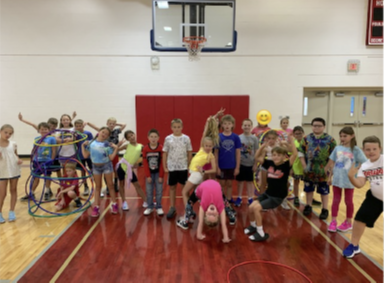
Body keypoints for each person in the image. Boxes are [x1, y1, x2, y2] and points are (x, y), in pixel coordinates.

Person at [244, 136, 297, 241]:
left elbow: (295, 154)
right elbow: (256, 157)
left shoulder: (286, 165)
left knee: (256, 208)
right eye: (274, 155)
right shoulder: (269, 163)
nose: (276, 157)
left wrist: (292, 142)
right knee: (251, 207)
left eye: (278, 155)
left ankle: (261, 233)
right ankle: (253, 226)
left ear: (283, 157)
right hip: (268, 193)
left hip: (277, 197)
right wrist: (263, 146)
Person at [342, 136, 383, 258]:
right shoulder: (364, 166)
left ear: (380, 149)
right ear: (363, 150)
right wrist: (351, 177)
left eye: (374, 149)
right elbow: (360, 184)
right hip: (376, 198)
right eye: (368, 149)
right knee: (360, 218)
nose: (371, 152)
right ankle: (354, 245)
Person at [326, 127, 367, 232]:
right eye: (341, 136)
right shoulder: (337, 148)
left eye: (345, 136)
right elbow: (332, 163)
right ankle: (333, 221)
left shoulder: (356, 150)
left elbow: (365, 163)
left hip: (349, 180)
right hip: (337, 179)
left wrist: (358, 173)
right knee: (335, 200)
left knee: (348, 201)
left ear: (352, 136)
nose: (342, 138)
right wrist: (329, 176)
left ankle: (348, 222)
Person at [299, 117, 336, 219]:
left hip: (323, 170)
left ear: (323, 127)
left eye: (319, 126)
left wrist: (328, 167)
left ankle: (324, 209)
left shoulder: (330, 140)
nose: (317, 127)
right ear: (312, 127)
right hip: (309, 169)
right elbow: (300, 152)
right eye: (315, 125)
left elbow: (334, 155)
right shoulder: (306, 139)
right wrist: (304, 165)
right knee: (308, 189)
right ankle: (308, 206)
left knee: (324, 190)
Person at [81, 127, 122, 217]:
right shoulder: (91, 143)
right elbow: (85, 155)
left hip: (107, 166)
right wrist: (82, 146)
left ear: (108, 136)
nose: (104, 134)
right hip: (95, 167)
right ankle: (96, 207)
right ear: (99, 132)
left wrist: (116, 148)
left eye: (106, 134)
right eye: (103, 132)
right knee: (98, 187)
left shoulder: (108, 144)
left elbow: (111, 158)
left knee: (110, 185)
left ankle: (114, 204)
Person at [163, 118, 193, 219]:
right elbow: (165, 153)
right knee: (172, 187)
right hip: (172, 167)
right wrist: (165, 166)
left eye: (178, 127)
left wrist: (189, 165)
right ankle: (172, 207)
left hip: (183, 167)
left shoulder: (186, 138)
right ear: (171, 128)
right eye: (174, 127)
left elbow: (189, 152)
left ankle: (188, 207)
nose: (176, 129)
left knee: (185, 188)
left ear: (182, 127)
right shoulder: (168, 138)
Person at [86, 117, 126, 193]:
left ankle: (115, 184)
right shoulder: (104, 131)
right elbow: (95, 127)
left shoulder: (116, 131)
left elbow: (124, 124)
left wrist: (116, 124)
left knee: (115, 169)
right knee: (106, 169)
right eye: (110, 123)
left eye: (113, 124)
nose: (111, 125)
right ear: (107, 124)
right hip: (104, 153)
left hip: (114, 151)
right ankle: (108, 186)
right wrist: (88, 123)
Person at [20, 122, 57, 202]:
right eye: (42, 129)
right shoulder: (36, 139)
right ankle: (31, 193)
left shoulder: (52, 138)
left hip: (47, 160)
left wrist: (52, 159)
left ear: (49, 130)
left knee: (47, 177)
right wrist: (32, 158)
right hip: (37, 161)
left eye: (45, 129)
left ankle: (47, 192)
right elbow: (34, 149)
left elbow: (54, 150)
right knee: (35, 177)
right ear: (39, 130)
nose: (43, 131)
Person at [117, 130, 147, 210]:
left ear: (135, 135)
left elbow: (145, 156)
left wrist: (139, 164)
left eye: (132, 135)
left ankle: (146, 201)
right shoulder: (126, 145)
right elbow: (116, 150)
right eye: (129, 137)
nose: (131, 137)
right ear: (127, 139)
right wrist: (118, 145)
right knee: (121, 184)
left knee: (137, 185)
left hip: (129, 168)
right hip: (122, 166)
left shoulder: (141, 146)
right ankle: (124, 202)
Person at [215, 114, 241, 203]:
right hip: (221, 165)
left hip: (231, 165)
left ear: (233, 125)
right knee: (222, 183)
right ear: (221, 125)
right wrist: (216, 166)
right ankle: (222, 199)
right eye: (225, 123)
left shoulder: (236, 137)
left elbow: (238, 152)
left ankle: (229, 199)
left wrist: (237, 167)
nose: (227, 126)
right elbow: (216, 153)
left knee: (230, 183)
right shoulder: (218, 137)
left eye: (229, 123)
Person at [0, 124, 23, 223]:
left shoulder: (13, 144)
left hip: (13, 169)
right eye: (6, 132)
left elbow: (16, 155)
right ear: (1, 131)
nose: (8, 135)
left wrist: (19, 160)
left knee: (13, 190)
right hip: (2, 171)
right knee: (2, 193)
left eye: (10, 133)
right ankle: (0, 213)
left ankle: (12, 212)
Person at [234, 119, 259, 207]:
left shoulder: (254, 138)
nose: (247, 127)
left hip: (250, 164)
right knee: (240, 182)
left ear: (251, 127)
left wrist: (255, 164)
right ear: (241, 126)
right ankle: (239, 197)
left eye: (248, 125)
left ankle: (250, 198)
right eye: (245, 125)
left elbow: (256, 151)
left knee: (249, 182)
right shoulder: (238, 138)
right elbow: (236, 151)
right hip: (240, 163)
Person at [142, 129, 164, 216]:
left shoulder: (161, 148)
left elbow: (162, 163)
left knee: (159, 190)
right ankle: (150, 207)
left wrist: (161, 176)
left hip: (158, 173)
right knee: (149, 190)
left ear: (158, 138)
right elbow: (145, 163)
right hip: (149, 174)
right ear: (148, 138)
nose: (153, 138)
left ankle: (159, 207)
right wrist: (148, 176)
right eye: (151, 137)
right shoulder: (145, 148)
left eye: (155, 137)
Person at [74, 119, 93, 196]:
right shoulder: (75, 134)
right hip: (80, 155)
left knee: (93, 171)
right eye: (77, 126)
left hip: (89, 155)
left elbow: (93, 141)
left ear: (83, 125)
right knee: (83, 171)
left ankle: (95, 187)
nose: (79, 127)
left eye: (80, 126)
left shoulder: (88, 133)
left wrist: (88, 143)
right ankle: (86, 187)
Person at [292, 126, 306, 207]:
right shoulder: (293, 143)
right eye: (296, 134)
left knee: (307, 183)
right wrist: (291, 168)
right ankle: (296, 197)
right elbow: (290, 155)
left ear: (303, 133)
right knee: (296, 182)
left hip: (304, 166)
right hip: (296, 166)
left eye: (300, 133)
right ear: (294, 134)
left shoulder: (306, 142)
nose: (298, 135)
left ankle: (309, 198)